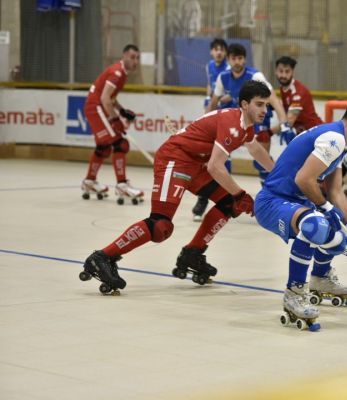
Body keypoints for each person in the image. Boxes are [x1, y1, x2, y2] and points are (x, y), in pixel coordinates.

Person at [80, 80, 275, 294]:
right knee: (160, 226)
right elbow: (215, 167)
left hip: (194, 163)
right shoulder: (232, 124)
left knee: (229, 204)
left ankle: (193, 252)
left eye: (266, 105)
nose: (264, 110)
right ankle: (102, 258)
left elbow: (256, 151)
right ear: (245, 105)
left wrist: (278, 175)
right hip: (175, 159)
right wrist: (240, 193)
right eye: (260, 104)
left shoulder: (245, 127)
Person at [254, 98, 347, 331]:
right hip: (272, 201)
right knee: (317, 225)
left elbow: (335, 191)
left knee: (335, 232)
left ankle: (320, 278)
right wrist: (327, 210)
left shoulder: (339, 142)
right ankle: (294, 294)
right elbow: (303, 179)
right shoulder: (335, 139)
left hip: (293, 203)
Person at [208, 43, 294, 187]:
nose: (237, 62)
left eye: (240, 58)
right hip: (242, 120)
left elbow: (274, 99)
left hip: (261, 119)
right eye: (234, 58)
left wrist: (284, 124)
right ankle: (219, 195)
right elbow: (213, 103)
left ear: (245, 60)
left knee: (260, 162)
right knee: (221, 159)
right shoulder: (223, 78)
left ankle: (273, 190)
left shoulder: (255, 75)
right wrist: (208, 126)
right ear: (228, 60)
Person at [80, 44, 144, 204]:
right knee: (120, 144)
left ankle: (89, 182)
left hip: (95, 107)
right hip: (96, 107)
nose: (135, 61)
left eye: (137, 58)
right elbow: (104, 99)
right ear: (124, 56)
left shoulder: (121, 73)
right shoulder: (118, 73)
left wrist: (122, 111)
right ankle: (122, 185)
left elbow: (110, 98)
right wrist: (116, 120)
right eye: (132, 57)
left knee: (104, 147)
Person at [193, 38, 230, 221]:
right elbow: (210, 86)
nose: (219, 52)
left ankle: (226, 196)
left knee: (222, 154)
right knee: (207, 154)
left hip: (224, 112)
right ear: (211, 52)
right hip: (211, 108)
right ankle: (203, 199)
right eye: (216, 49)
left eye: (222, 49)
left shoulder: (229, 69)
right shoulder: (209, 66)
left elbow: (230, 93)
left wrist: (218, 101)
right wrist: (208, 102)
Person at [274, 56, 324, 144]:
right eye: (281, 71)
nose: (283, 75)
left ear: (292, 72)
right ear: (276, 71)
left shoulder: (297, 92)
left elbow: (289, 121)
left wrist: (269, 132)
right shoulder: (283, 88)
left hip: (316, 134)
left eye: (287, 71)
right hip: (303, 134)